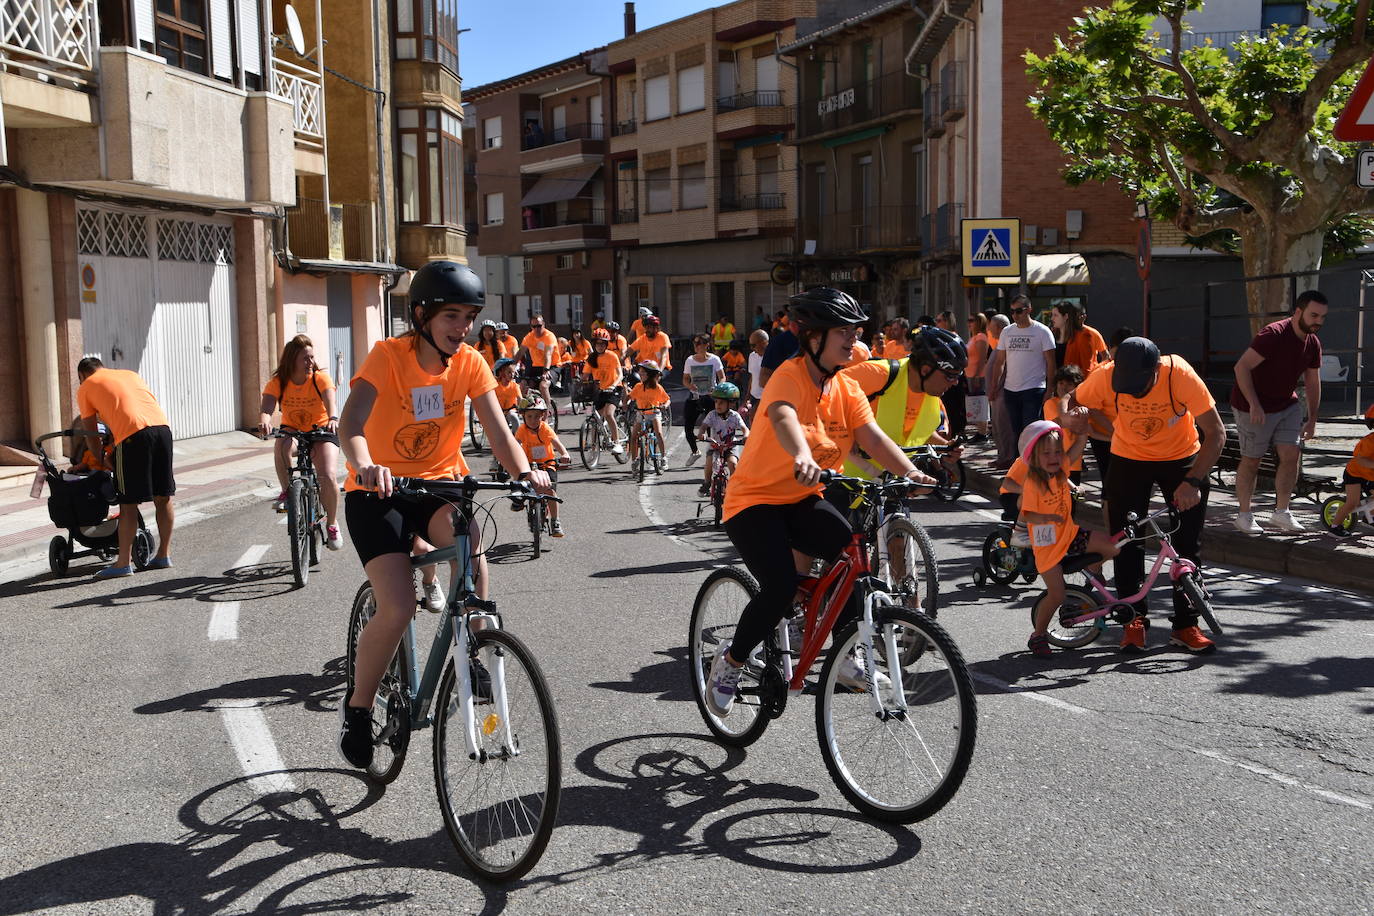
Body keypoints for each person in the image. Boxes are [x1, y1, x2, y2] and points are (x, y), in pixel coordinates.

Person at [336, 260, 551, 770]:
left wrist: (526, 474)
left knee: (470, 550)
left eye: (469, 317)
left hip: (438, 486)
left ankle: (472, 648)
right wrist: (365, 466)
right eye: (452, 315)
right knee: (398, 606)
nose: (463, 327)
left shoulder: (471, 363)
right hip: (379, 492)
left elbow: (498, 433)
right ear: (422, 315)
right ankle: (358, 709)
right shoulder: (388, 356)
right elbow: (351, 423)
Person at [704, 287, 936, 715]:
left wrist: (910, 473)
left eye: (856, 331)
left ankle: (846, 654)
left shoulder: (846, 386)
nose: (853, 338)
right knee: (779, 587)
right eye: (843, 331)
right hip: (753, 501)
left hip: (801, 497)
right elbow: (783, 415)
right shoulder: (789, 375)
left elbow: (872, 438)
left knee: (852, 558)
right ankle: (731, 662)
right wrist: (802, 455)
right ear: (814, 337)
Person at [1069, 337, 1226, 654]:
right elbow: (1072, 399)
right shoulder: (1105, 375)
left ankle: (1186, 625)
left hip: (1181, 458)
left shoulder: (1179, 374)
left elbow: (1216, 433)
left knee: (1186, 546)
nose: (1132, 391)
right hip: (1129, 458)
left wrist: (1193, 481)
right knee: (1126, 541)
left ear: (1156, 369)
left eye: (1138, 385)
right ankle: (1133, 620)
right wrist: (1074, 416)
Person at [1230, 290, 1327, 535]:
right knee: (1252, 460)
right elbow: (1241, 367)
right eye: (1314, 315)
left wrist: (1312, 419)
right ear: (1298, 312)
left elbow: (1313, 381)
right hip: (1252, 405)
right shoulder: (1272, 335)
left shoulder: (1313, 343)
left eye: (1322, 317)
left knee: (1291, 454)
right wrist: (1254, 404)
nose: (1318, 321)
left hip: (1286, 404)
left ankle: (1281, 512)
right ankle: (1244, 515)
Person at [1019, 420, 1120, 657]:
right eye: (1046, 453)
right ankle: (1038, 635)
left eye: (1057, 451)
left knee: (1113, 546)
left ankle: (1092, 576)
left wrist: (1083, 433)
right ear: (1034, 457)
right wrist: (1047, 517)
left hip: (1070, 535)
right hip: (1048, 546)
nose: (1054, 457)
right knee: (1057, 595)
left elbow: (1076, 450)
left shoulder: (1061, 469)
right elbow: (1027, 514)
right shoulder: (1033, 483)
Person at [75, 357, 175, 578]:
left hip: (133, 438)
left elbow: (92, 433)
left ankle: (123, 563)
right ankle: (163, 555)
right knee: (163, 496)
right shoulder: (130, 374)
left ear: (82, 375)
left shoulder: (86, 387)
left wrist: (100, 458)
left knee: (127, 502)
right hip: (162, 430)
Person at [838, 326, 966, 480]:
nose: (955, 382)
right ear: (926, 370)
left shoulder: (931, 394)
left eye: (959, 376)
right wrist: (844, 429)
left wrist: (945, 447)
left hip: (885, 483)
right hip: (840, 479)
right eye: (951, 376)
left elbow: (916, 431)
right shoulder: (880, 374)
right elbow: (824, 391)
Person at [257, 334, 342, 550]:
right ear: (292, 359)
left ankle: (332, 524)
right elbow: (267, 407)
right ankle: (288, 493)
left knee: (327, 475)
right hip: (294, 430)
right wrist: (264, 420)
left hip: (322, 429)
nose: (310, 362)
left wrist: (333, 418)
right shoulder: (279, 382)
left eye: (312, 357)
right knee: (281, 444)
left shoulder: (319, 378)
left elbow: (330, 400)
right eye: (305, 358)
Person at [987, 295, 1057, 445]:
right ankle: (1018, 459)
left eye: (1018, 311)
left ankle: (1032, 459)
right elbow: (1000, 362)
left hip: (1034, 389)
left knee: (1031, 431)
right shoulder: (1007, 332)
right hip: (1010, 390)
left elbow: (1051, 363)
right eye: (1012, 311)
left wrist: (1050, 390)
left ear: (1029, 310)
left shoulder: (1042, 331)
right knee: (1015, 432)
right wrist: (994, 386)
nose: (1015, 315)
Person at [513, 393, 570, 537]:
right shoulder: (522, 430)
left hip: (547, 464)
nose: (533, 420)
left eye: (537, 416)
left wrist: (564, 454)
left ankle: (555, 521)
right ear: (523, 416)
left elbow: (556, 442)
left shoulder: (545, 428)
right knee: (520, 482)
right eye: (529, 416)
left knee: (550, 491)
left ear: (543, 416)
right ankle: (519, 500)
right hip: (529, 465)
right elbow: (516, 445)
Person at [1326, 404, 1374, 537]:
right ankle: (1335, 527)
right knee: (1352, 503)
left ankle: (1369, 517)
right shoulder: (1369, 442)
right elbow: (1361, 460)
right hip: (1355, 474)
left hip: (1370, 476)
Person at [697, 381, 748, 495]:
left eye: (721, 402)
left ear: (731, 404)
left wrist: (746, 435)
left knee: (733, 464)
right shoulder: (712, 415)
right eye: (716, 402)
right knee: (709, 463)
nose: (717, 405)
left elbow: (744, 428)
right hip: (715, 445)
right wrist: (701, 434)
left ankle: (734, 487)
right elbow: (704, 426)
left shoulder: (735, 416)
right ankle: (707, 483)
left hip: (730, 446)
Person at [581, 328, 626, 457]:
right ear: (594, 344)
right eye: (597, 343)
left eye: (602, 343)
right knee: (595, 418)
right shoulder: (591, 358)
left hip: (614, 389)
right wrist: (580, 383)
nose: (600, 346)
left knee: (608, 414)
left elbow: (620, 374)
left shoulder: (612, 356)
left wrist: (613, 385)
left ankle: (617, 442)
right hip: (599, 391)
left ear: (606, 344)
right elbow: (585, 376)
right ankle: (594, 446)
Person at [682, 333, 725, 465]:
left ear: (707, 345)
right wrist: (690, 385)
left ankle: (714, 455)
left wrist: (718, 388)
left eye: (699, 343)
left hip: (710, 396)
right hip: (695, 397)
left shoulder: (715, 359)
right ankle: (695, 451)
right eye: (695, 343)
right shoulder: (690, 360)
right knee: (688, 427)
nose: (696, 346)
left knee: (714, 427)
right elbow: (685, 379)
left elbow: (722, 377)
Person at [1042, 365, 1088, 486]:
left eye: (1069, 384)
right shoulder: (1050, 403)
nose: (1063, 387)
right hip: (1055, 461)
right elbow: (1069, 423)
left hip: (1075, 462)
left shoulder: (1082, 404)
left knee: (1072, 497)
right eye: (1061, 383)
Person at [627, 360, 669, 466]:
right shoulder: (638, 386)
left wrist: (664, 406)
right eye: (640, 372)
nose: (640, 374)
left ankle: (663, 457)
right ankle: (634, 460)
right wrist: (625, 402)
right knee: (634, 436)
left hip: (654, 413)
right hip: (641, 414)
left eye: (643, 372)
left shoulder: (657, 388)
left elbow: (667, 400)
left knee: (658, 433)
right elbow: (630, 396)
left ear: (650, 375)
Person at [1052, 301, 1109, 376]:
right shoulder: (1052, 334)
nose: (1052, 318)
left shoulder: (1087, 334)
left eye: (1055, 315)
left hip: (1079, 379)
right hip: (1059, 380)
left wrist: (1097, 374)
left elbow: (1104, 356)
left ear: (1066, 316)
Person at [517, 314, 560, 405]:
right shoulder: (529, 337)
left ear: (543, 324)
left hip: (552, 366)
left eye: (539, 326)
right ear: (531, 327)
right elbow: (520, 353)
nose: (537, 329)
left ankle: (547, 410)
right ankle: (523, 409)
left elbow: (548, 355)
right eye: (534, 326)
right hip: (536, 367)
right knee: (522, 385)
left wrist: (546, 371)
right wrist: (512, 367)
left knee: (543, 386)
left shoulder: (549, 336)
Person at [965, 313, 991, 439]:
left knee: (980, 403)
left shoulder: (981, 337)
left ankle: (982, 432)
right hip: (970, 375)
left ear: (979, 322)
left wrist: (976, 375)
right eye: (968, 320)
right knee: (974, 404)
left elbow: (982, 359)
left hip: (978, 376)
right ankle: (980, 431)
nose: (969, 323)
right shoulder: (973, 337)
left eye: (972, 320)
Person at [746, 328, 769, 415]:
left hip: (767, 398)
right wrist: (747, 397)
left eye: (753, 345)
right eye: (750, 345)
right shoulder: (752, 356)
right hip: (754, 396)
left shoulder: (774, 358)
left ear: (764, 342)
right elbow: (752, 376)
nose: (751, 348)